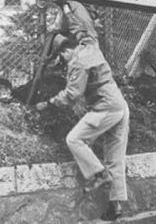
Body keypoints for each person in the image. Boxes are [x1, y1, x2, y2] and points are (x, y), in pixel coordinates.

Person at [36, 34, 129, 220]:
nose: (62, 61)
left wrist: (48, 103)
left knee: (74, 139)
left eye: (61, 56)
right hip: (120, 106)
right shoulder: (90, 46)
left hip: (106, 107)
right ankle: (116, 207)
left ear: (66, 50)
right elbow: (85, 29)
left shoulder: (77, 62)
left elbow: (72, 94)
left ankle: (99, 174)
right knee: (115, 159)